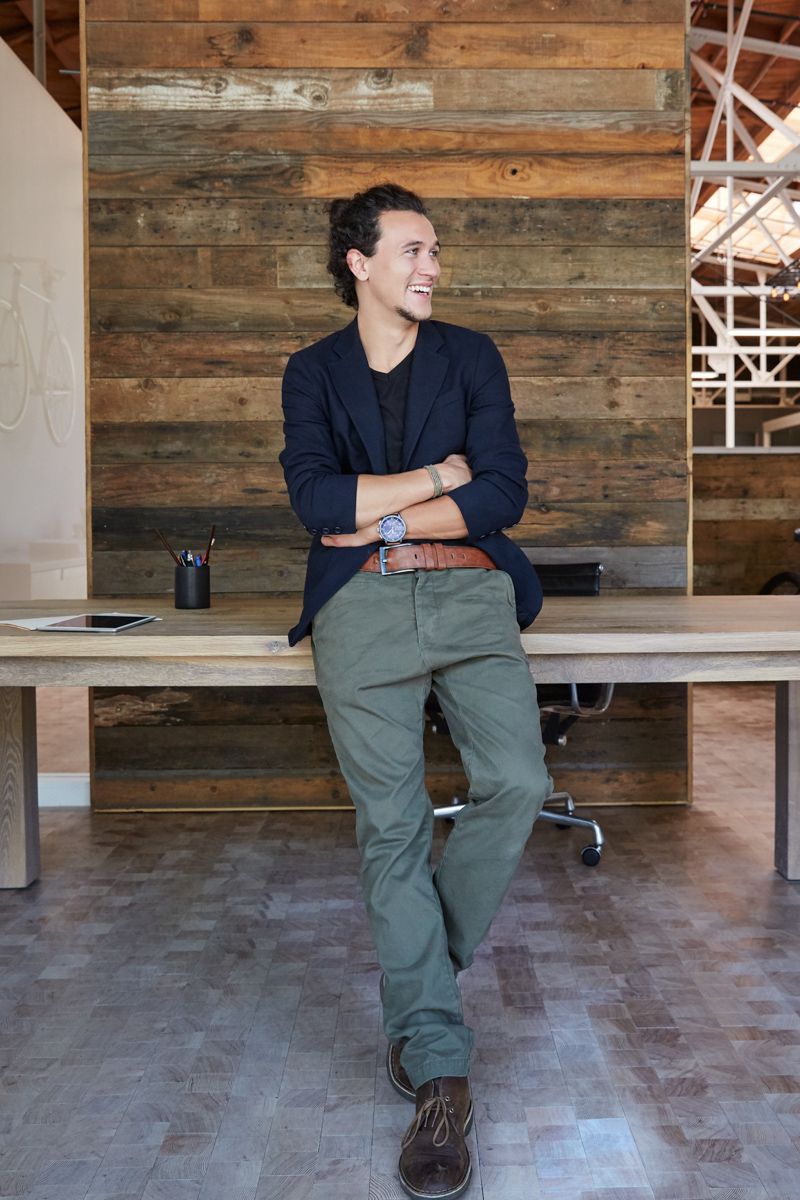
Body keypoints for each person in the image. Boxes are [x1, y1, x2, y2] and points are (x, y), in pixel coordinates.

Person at [280, 183, 552, 1200]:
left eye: (435, 249)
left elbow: (503, 491)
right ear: (358, 261)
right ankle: (438, 1072)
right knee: (389, 828)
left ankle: (418, 971)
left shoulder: (469, 356)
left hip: (473, 598)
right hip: (357, 610)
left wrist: (386, 516)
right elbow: (314, 501)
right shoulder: (311, 372)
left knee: (516, 783)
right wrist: (439, 480)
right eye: (412, 248)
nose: (431, 264)